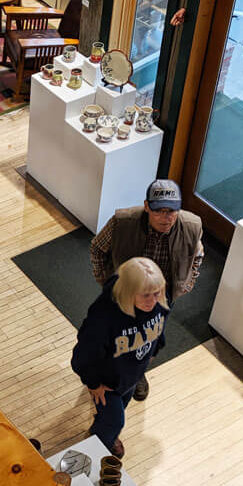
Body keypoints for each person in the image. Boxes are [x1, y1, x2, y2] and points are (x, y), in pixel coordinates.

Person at [89, 179, 202, 401]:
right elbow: (97, 249)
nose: (166, 218)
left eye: (172, 211)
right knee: (114, 334)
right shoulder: (123, 222)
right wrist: (105, 282)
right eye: (159, 211)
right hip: (126, 293)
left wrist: (187, 283)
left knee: (148, 338)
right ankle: (102, 371)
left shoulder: (191, 226)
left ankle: (137, 372)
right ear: (147, 206)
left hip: (162, 297)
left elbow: (197, 256)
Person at [71, 257, 168, 459]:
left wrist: (154, 351)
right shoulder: (104, 317)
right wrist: (93, 383)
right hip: (106, 382)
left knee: (120, 408)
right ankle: (99, 443)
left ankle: (103, 428)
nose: (153, 300)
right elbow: (83, 356)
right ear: (128, 292)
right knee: (115, 421)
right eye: (146, 295)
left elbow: (160, 326)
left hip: (131, 375)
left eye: (157, 293)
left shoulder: (157, 304)